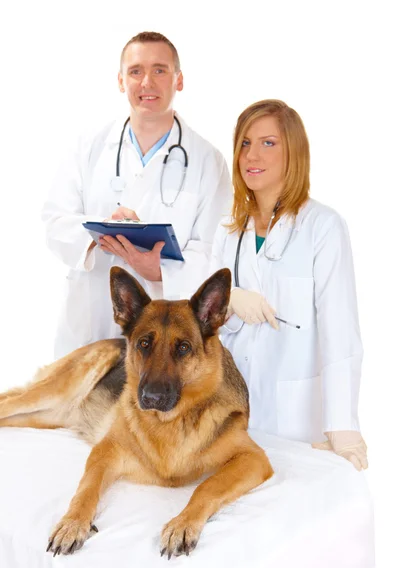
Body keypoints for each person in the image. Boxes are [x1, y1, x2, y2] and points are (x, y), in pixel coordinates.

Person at [42, 31, 232, 359]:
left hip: (161, 343)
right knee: (81, 404)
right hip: (88, 325)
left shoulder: (207, 160)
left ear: (179, 80)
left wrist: (159, 271)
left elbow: (216, 252)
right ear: (120, 81)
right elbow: (54, 220)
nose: (147, 82)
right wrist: (99, 233)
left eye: (159, 70)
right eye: (135, 71)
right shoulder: (88, 147)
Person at [210, 99, 368, 470]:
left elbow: (339, 328)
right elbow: (210, 326)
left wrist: (342, 425)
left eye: (269, 143)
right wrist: (229, 300)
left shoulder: (322, 227)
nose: (252, 155)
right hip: (233, 411)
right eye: (245, 143)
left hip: (298, 419)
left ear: (293, 152)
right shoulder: (227, 232)